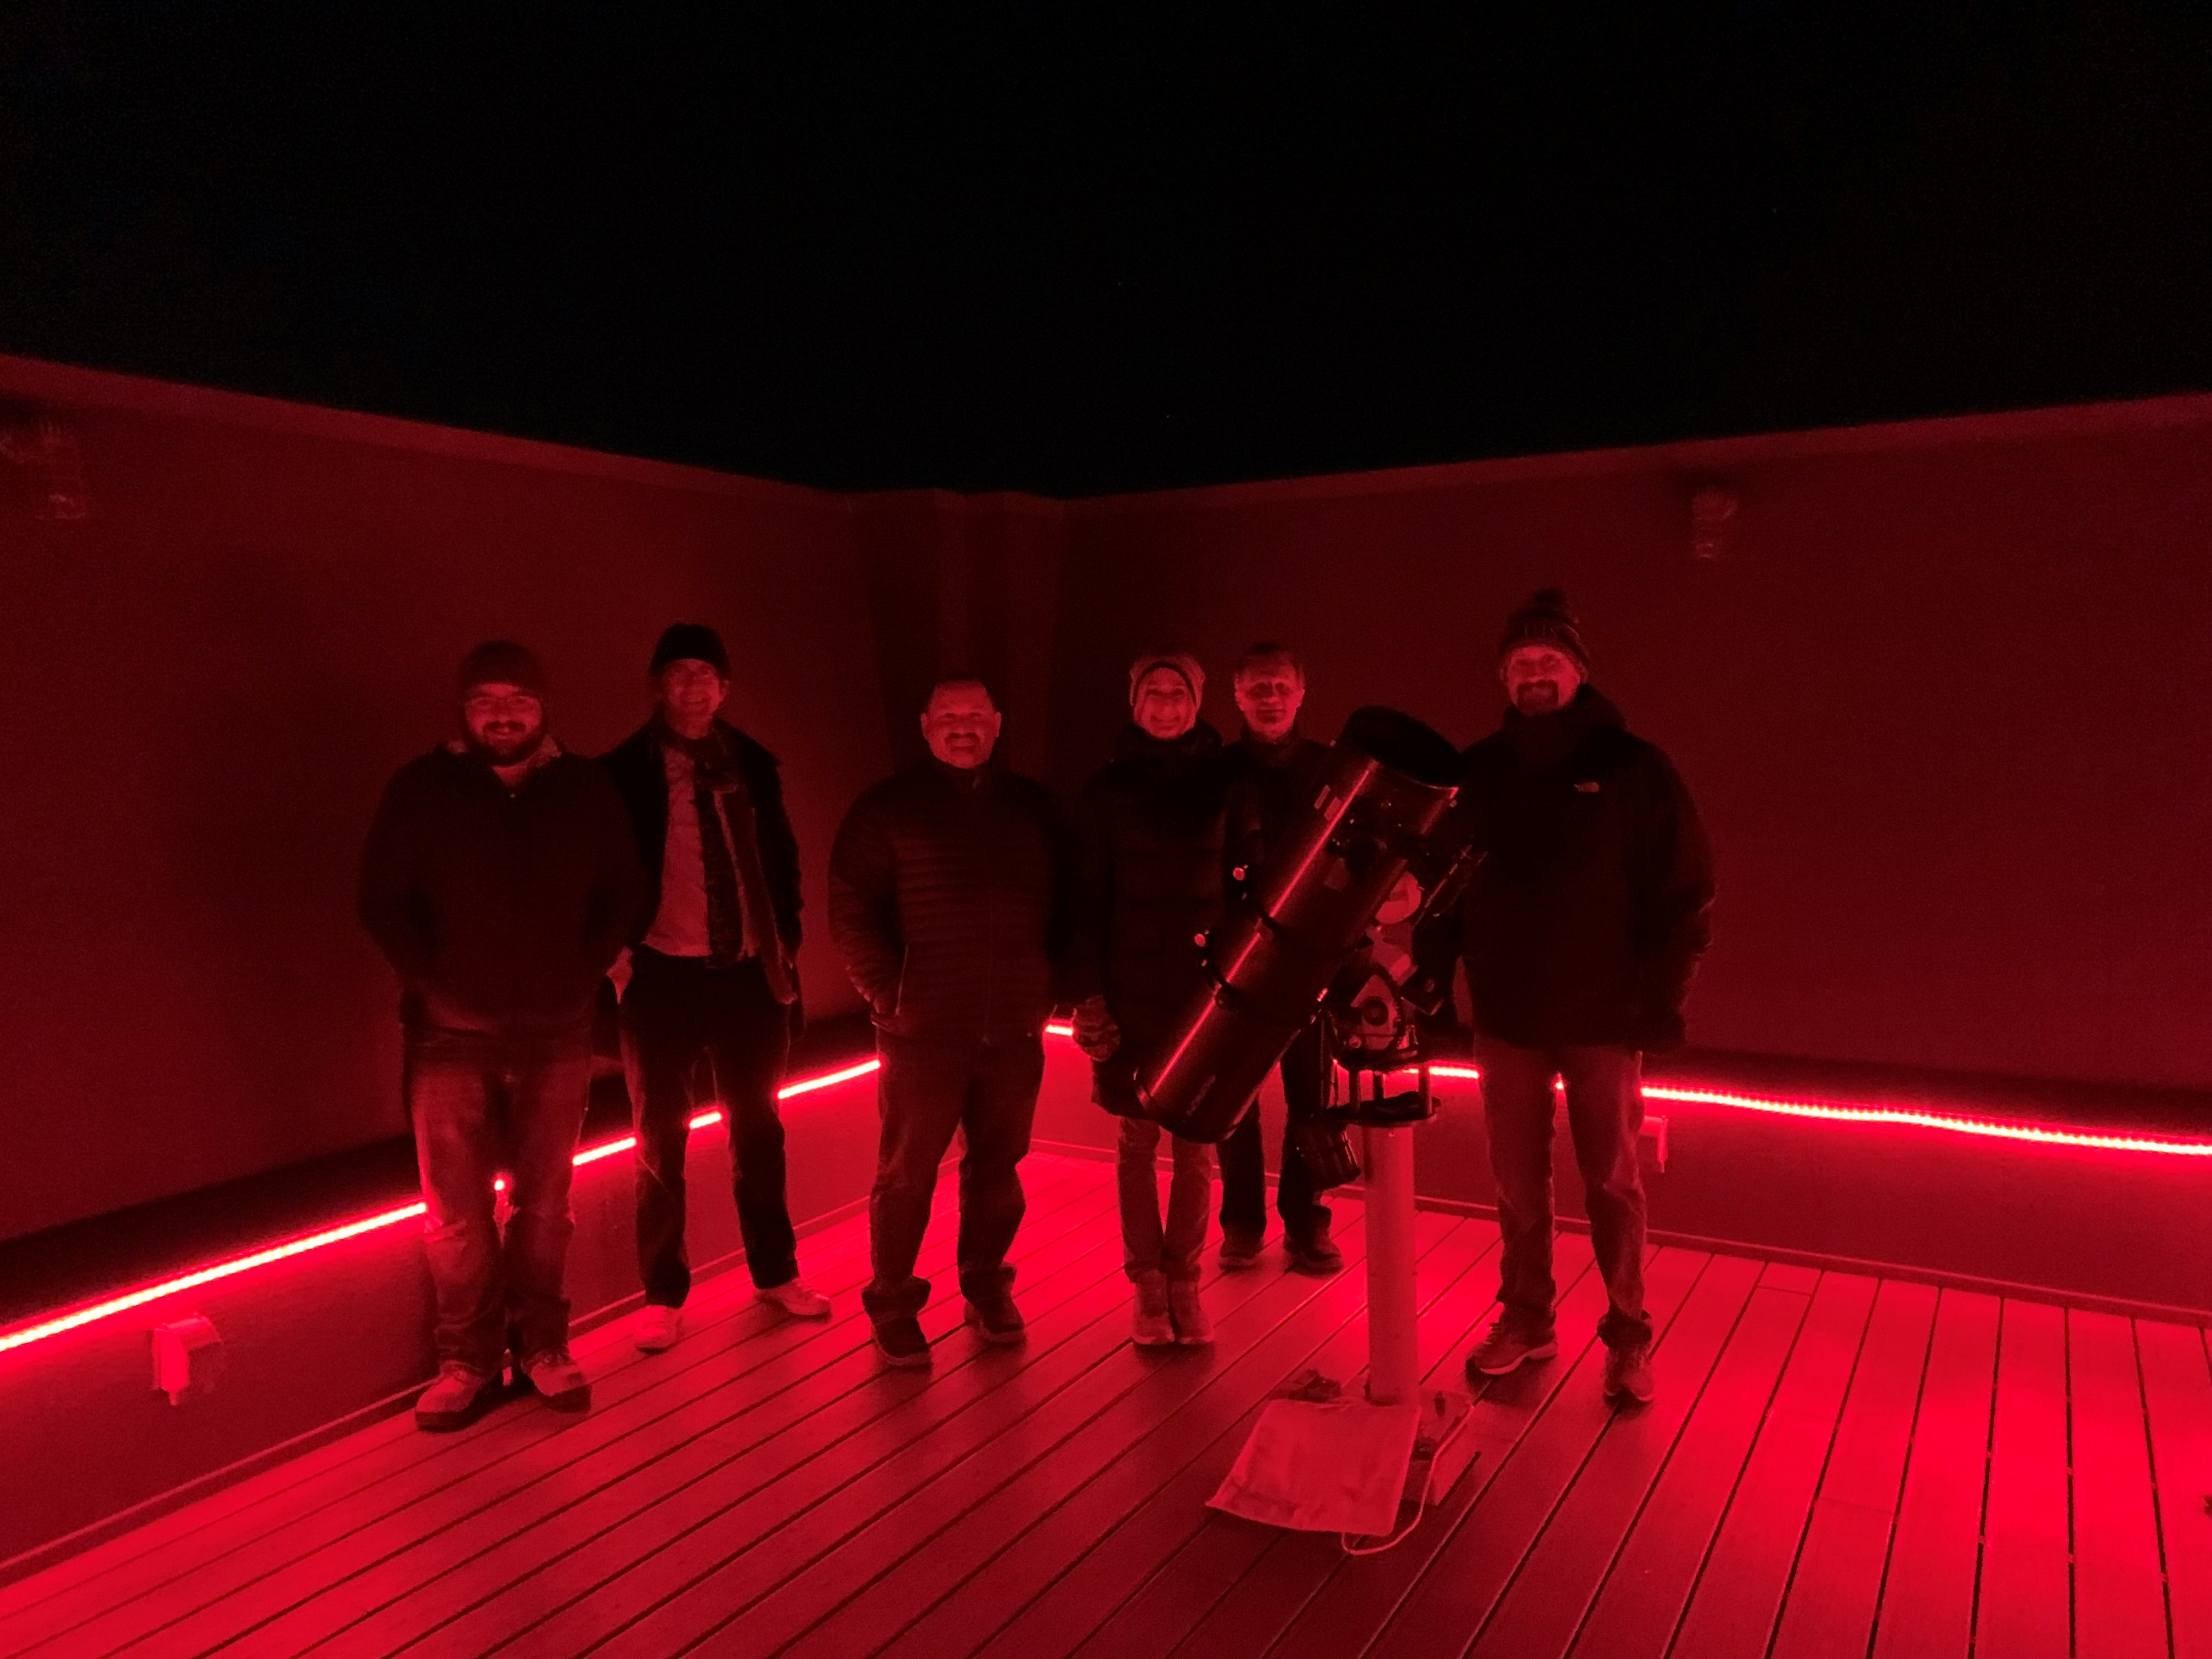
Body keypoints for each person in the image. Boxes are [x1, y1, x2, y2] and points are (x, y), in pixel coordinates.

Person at [1420, 589, 1713, 1407]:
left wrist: (1662, 1004)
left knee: (1613, 1185)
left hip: (1605, 1020)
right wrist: (1435, 989)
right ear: (1504, 679)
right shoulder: (1476, 772)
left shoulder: (1632, 767)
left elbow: (1683, 894)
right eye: (1521, 664)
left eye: (1549, 661)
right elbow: (1442, 890)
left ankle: (1628, 1337)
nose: (1535, 674)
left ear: (1579, 671)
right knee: (1517, 1189)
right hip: (1507, 1017)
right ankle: (1527, 1321)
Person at [359, 641, 644, 1430]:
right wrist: (434, 983)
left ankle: (544, 1349)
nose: (503, 713)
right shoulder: (422, 789)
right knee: (454, 1216)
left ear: (543, 707)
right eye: (486, 698)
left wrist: (579, 974)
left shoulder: (584, 788)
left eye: (517, 697)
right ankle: (468, 1363)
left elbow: (625, 887)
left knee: (547, 1208)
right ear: (464, 709)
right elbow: (381, 898)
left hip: (558, 1034)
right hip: (448, 1039)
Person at [828, 679, 1074, 1367]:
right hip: (923, 1032)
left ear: (998, 724)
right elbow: (851, 909)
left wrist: (1045, 988)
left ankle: (986, 1287)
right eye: (948, 717)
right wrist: (889, 995)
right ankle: (894, 1303)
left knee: (999, 1170)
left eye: (974, 716)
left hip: (1014, 1029)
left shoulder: (1034, 809)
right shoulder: (886, 810)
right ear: (925, 724)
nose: (962, 727)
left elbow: (1070, 902)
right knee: (906, 1176)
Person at [602, 623, 829, 1351]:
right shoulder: (625, 771)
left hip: (749, 976)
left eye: (706, 674)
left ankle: (775, 1271)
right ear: (658, 687)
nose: (693, 686)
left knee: (759, 1129)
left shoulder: (754, 764)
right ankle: (662, 1293)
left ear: (724, 689)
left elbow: (783, 859)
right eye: (679, 674)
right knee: (658, 1139)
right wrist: (614, 952)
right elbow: (602, 869)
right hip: (660, 973)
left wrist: (785, 942)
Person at [1071, 651, 1232, 1347]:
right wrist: (1088, 996)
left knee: (1198, 1145)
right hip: (1128, 995)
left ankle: (1186, 1278)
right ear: (1133, 703)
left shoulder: (1226, 785)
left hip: (1205, 993)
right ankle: (1148, 1286)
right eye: (1153, 694)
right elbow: (1084, 900)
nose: (1166, 706)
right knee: (1136, 1142)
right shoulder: (1105, 790)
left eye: (1178, 694)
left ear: (1197, 701)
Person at [1216, 643, 1342, 1275]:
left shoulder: (1332, 772)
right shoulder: (1216, 773)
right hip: (1235, 956)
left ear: (1301, 694)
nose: (1270, 697)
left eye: (1280, 686)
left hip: (1310, 960)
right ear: (1237, 696)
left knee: (1311, 1099)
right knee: (1231, 1095)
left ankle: (1306, 1220)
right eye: (1257, 687)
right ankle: (1240, 1221)